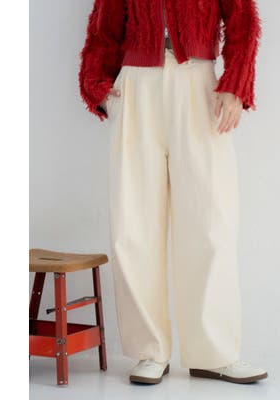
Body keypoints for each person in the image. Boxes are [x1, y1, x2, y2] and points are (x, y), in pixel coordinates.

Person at [79, 0, 268, 385]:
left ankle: (215, 352)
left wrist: (235, 84)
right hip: (136, 84)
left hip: (199, 82)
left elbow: (243, 22)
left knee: (211, 221)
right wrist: (97, 85)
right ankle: (150, 351)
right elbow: (104, 27)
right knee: (134, 224)